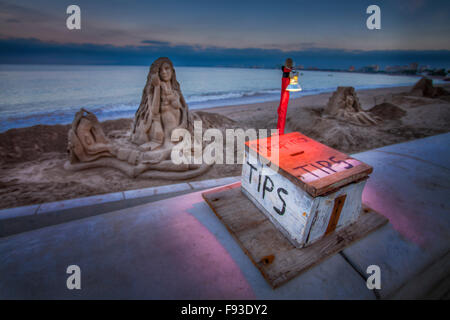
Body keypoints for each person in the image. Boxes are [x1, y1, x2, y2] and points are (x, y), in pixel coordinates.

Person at [131, 57, 188, 148]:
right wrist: (157, 87)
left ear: (172, 71)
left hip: (178, 128)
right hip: (165, 133)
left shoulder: (176, 90)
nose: (164, 72)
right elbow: (154, 111)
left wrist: (183, 123)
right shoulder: (152, 91)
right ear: (157, 74)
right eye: (160, 70)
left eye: (166, 68)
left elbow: (185, 107)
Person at [276, 58, 294, 135]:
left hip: (285, 88)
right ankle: (280, 130)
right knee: (282, 109)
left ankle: (280, 131)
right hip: (286, 88)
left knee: (282, 109)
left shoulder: (289, 72)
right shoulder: (290, 72)